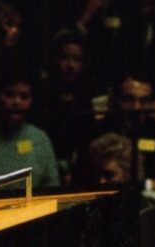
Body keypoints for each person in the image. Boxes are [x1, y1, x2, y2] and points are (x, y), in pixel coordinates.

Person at [94, 74, 155, 190]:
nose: (136, 107)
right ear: (117, 100)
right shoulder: (96, 131)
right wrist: (151, 184)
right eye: (129, 99)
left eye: (144, 101)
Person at [39, 28, 98, 186]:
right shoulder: (42, 93)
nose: (70, 65)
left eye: (77, 60)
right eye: (65, 58)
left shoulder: (85, 95)